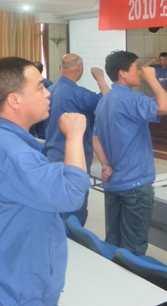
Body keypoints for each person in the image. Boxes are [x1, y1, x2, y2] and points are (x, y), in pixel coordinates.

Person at [0, 57, 89, 306]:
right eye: (39, 87)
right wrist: (75, 136)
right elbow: (72, 193)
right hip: (15, 289)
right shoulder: (13, 152)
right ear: (14, 100)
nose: (48, 93)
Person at [92, 51, 167, 255]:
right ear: (122, 73)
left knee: (114, 241)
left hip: (114, 183)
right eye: (135, 68)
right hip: (135, 184)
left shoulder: (105, 101)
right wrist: (152, 79)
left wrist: (105, 164)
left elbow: (95, 138)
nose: (139, 72)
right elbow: (166, 107)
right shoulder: (132, 99)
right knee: (133, 248)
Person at [44, 53, 110, 225]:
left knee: (56, 206)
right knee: (74, 211)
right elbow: (109, 102)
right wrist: (100, 79)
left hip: (51, 155)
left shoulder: (50, 91)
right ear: (80, 69)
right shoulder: (78, 93)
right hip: (74, 159)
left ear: (60, 68)